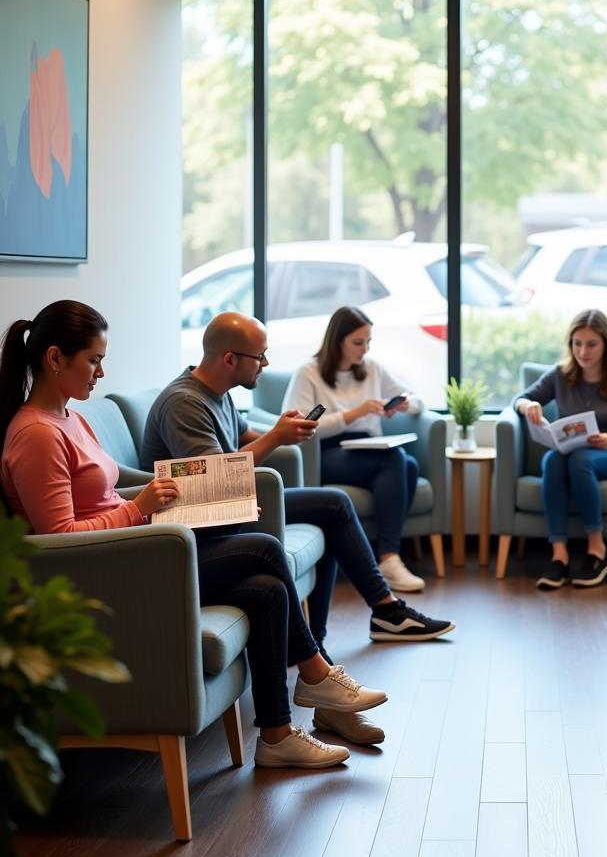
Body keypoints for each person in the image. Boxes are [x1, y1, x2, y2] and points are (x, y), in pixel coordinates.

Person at [0, 301, 386, 769]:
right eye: (94, 360)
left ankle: (278, 735)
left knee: (265, 591)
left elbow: (106, 494)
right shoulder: (36, 435)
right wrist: (140, 508)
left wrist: (155, 498)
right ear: (56, 358)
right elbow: (59, 538)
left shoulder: (71, 418)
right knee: (264, 550)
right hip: (112, 573)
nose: (101, 373)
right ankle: (316, 672)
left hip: (142, 549)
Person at [139, 313, 454, 744]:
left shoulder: (218, 391)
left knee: (332, 507)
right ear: (230, 358)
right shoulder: (185, 402)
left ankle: (372, 620)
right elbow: (214, 481)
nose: (266, 364)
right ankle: (330, 669)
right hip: (202, 525)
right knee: (309, 522)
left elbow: (240, 438)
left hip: (225, 511)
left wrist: (284, 431)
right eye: (260, 356)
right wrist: (275, 439)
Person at [283, 306, 425, 593]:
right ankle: (388, 556)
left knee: (407, 466)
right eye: (358, 342)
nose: (365, 349)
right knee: (398, 462)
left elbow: (418, 399)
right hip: (325, 452)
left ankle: (381, 554)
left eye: (368, 342)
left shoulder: (372, 369)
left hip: (368, 448)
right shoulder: (308, 374)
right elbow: (300, 426)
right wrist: (353, 414)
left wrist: (404, 403)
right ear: (337, 341)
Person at [513, 308, 607, 590]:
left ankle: (597, 550)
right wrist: (530, 406)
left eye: (591, 344)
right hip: (574, 456)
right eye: (577, 343)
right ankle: (559, 556)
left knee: (578, 460)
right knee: (553, 460)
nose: (583, 352)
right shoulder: (561, 376)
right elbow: (521, 399)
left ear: (606, 345)